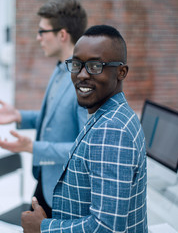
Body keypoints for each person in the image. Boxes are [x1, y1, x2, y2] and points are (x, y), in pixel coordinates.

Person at [21, 25, 148, 233]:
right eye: (77, 64)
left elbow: (106, 226)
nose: (81, 75)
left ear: (121, 72)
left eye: (95, 66)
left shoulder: (111, 130)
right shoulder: (111, 114)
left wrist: (44, 227)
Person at [0, 0, 88, 217]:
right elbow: (57, 120)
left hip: (67, 191)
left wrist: (32, 147)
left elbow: (85, 149)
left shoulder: (82, 81)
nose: (38, 38)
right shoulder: (60, 69)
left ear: (62, 35)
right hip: (47, 180)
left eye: (42, 31)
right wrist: (19, 116)